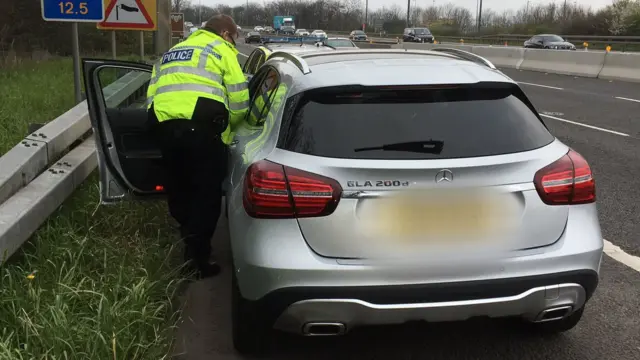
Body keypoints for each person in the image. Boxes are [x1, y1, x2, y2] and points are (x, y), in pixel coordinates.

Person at [145, 14, 249, 279]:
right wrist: (230, 129)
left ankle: (187, 237)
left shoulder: (174, 51)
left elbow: (152, 92)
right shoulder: (221, 50)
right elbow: (239, 99)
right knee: (206, 193)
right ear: (226, 34)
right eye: (234, 38)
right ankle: (197, 260)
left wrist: (159, 124)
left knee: (179, 187)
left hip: (165, 127)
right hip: (202, 130)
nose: (234, 43)